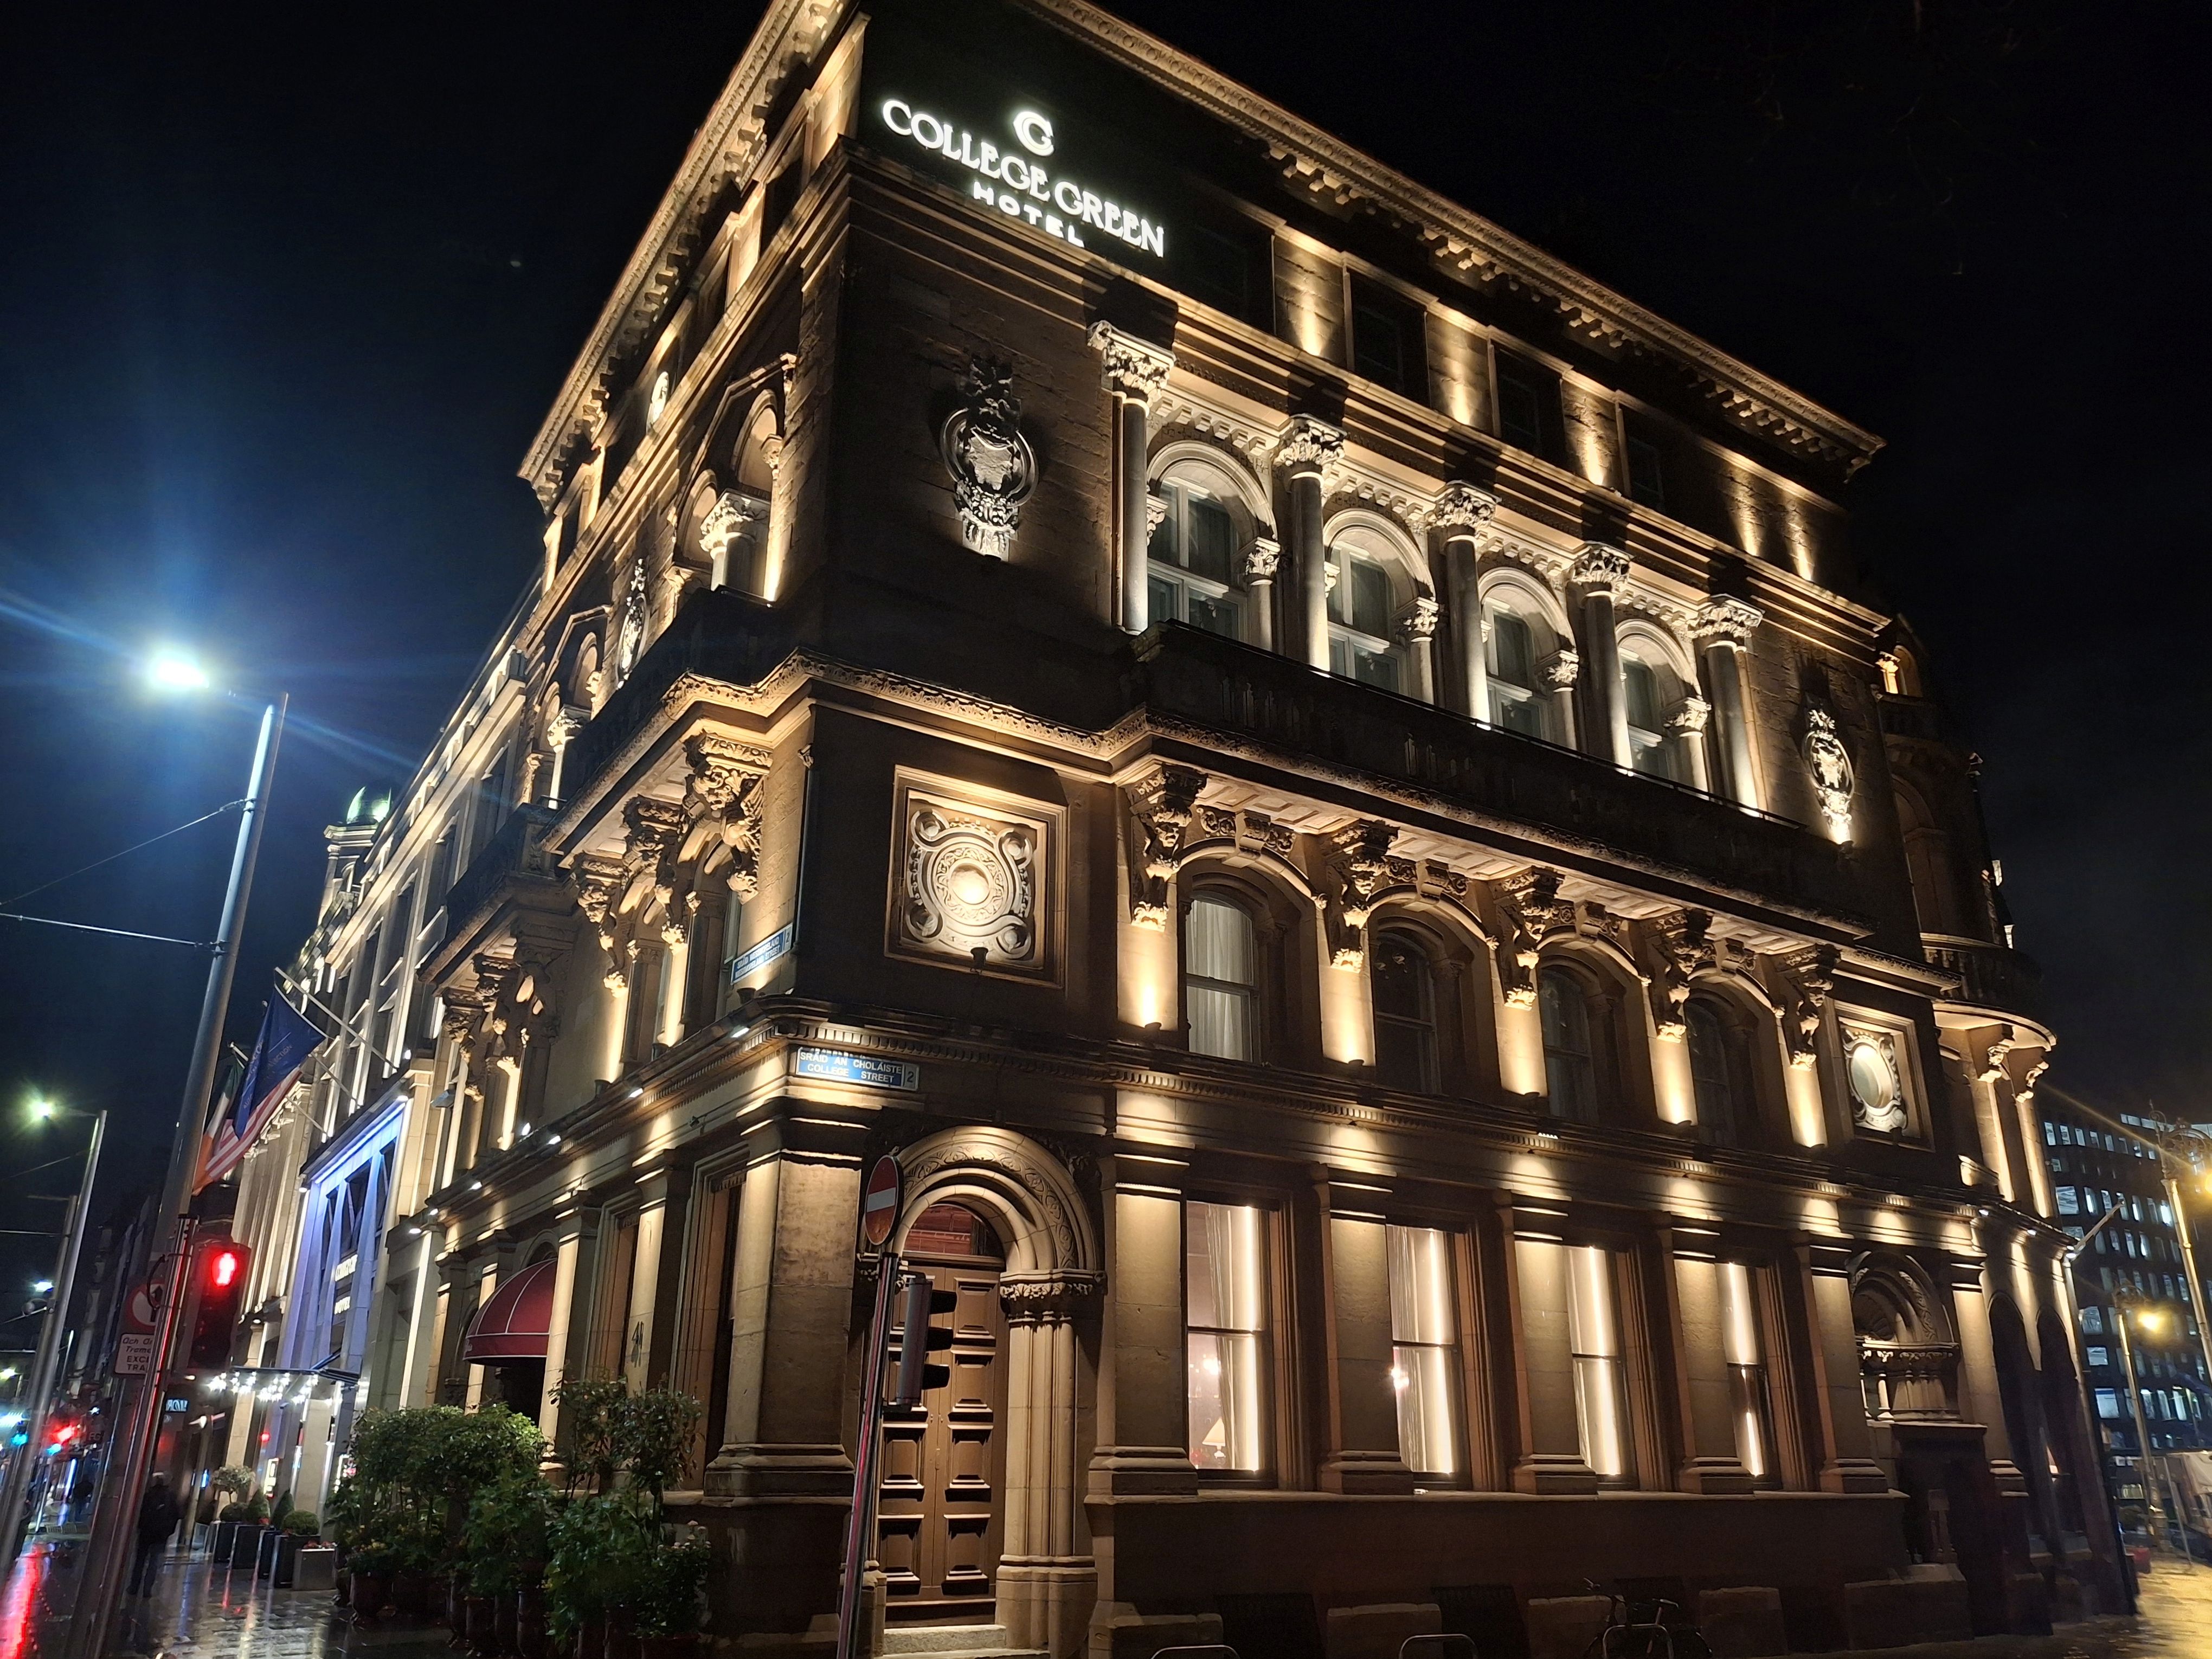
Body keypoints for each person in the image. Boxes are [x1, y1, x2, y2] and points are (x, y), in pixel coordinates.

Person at [127, 1472, 181, 1598]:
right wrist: (168, 1532)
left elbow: (140, 1513)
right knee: (154, 1561)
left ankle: (134, 1587)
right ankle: (147, 1590)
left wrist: (140, 1527)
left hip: (146, 1533)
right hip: (160, 1535)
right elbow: (177, 1515)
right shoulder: (170, 1497)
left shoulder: (148, 1495)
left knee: (139, 1561)